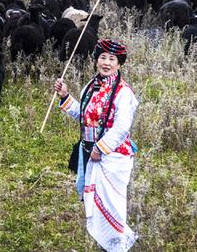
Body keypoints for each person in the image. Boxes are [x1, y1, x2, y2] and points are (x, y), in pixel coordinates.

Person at [53, 39, 138, 251]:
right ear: (96, 61)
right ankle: (105, 244)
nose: (106, 63)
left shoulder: (123, 92)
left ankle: (116, 246)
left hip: (113, 156)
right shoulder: (90, 87)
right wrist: (65, 95)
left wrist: (100, 148)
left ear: (119, 64)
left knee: (112, 205)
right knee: (95, 202)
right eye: (102, 58)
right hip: (89, 153)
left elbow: (122, 127)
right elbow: (83, 116)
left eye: (112, 59)